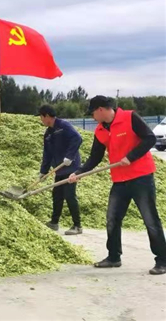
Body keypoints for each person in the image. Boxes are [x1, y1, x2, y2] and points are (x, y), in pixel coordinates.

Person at [68, 96, 166, 275]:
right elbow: (95, 157)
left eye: (92, 113)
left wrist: (131, 156)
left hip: (141, 177)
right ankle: (114, 257)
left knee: (150, 219)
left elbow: (150, 139)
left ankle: (162, 261)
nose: (92, 118)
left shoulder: (130, 117)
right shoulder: (99, 130)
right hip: (120, 180)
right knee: (112, 218)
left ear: (100, 109)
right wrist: (79, 172)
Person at [38, 105, 83, 235]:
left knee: (69, 195)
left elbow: (77, 138)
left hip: (71, 167)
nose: (41, 119)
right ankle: (54, 222)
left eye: (41, 116)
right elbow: (47, 154)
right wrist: (43, 171)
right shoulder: (48, 134)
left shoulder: (64, 125)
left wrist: (69, 156)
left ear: (46, 116)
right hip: (59, 169)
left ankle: (77, 225)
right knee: (57, 195)